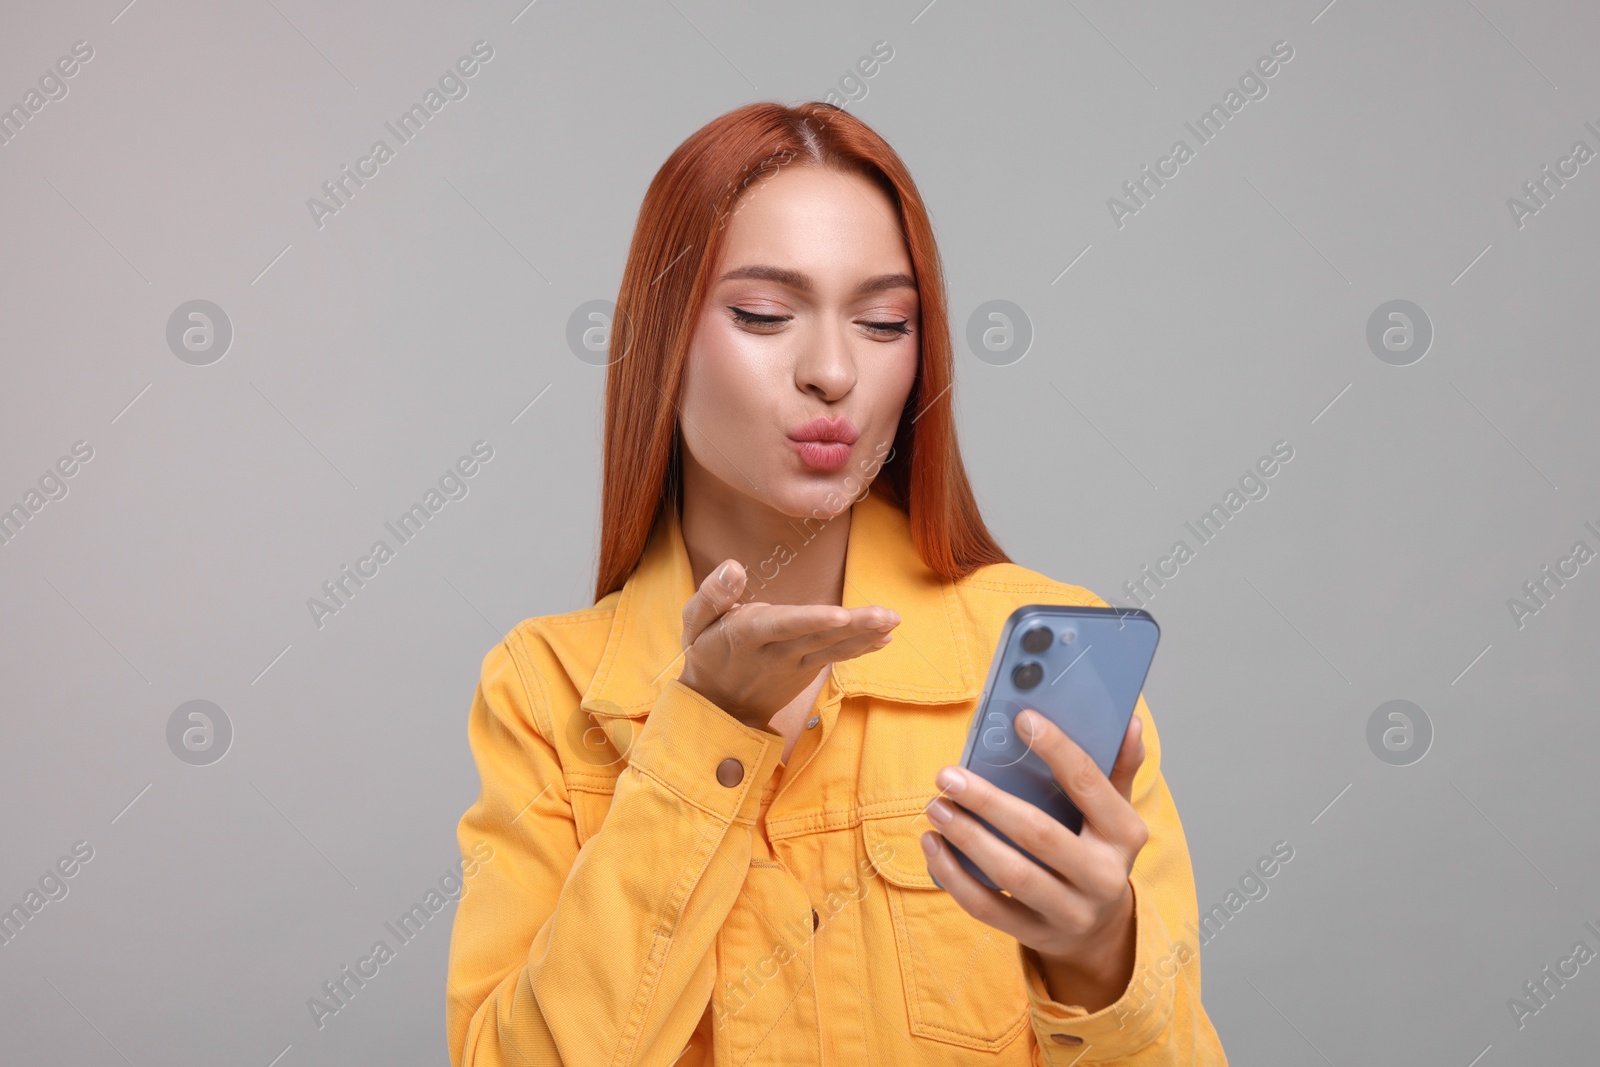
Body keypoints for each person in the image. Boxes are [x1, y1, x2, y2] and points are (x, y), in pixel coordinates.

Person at [446, 100, 1227, 1066]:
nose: (832, 370)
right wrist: (703, 737)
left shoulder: (1042, 662)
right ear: (663, 340)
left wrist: (1099, 955)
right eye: (765, 315)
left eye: (884, 321)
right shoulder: (546, 690)